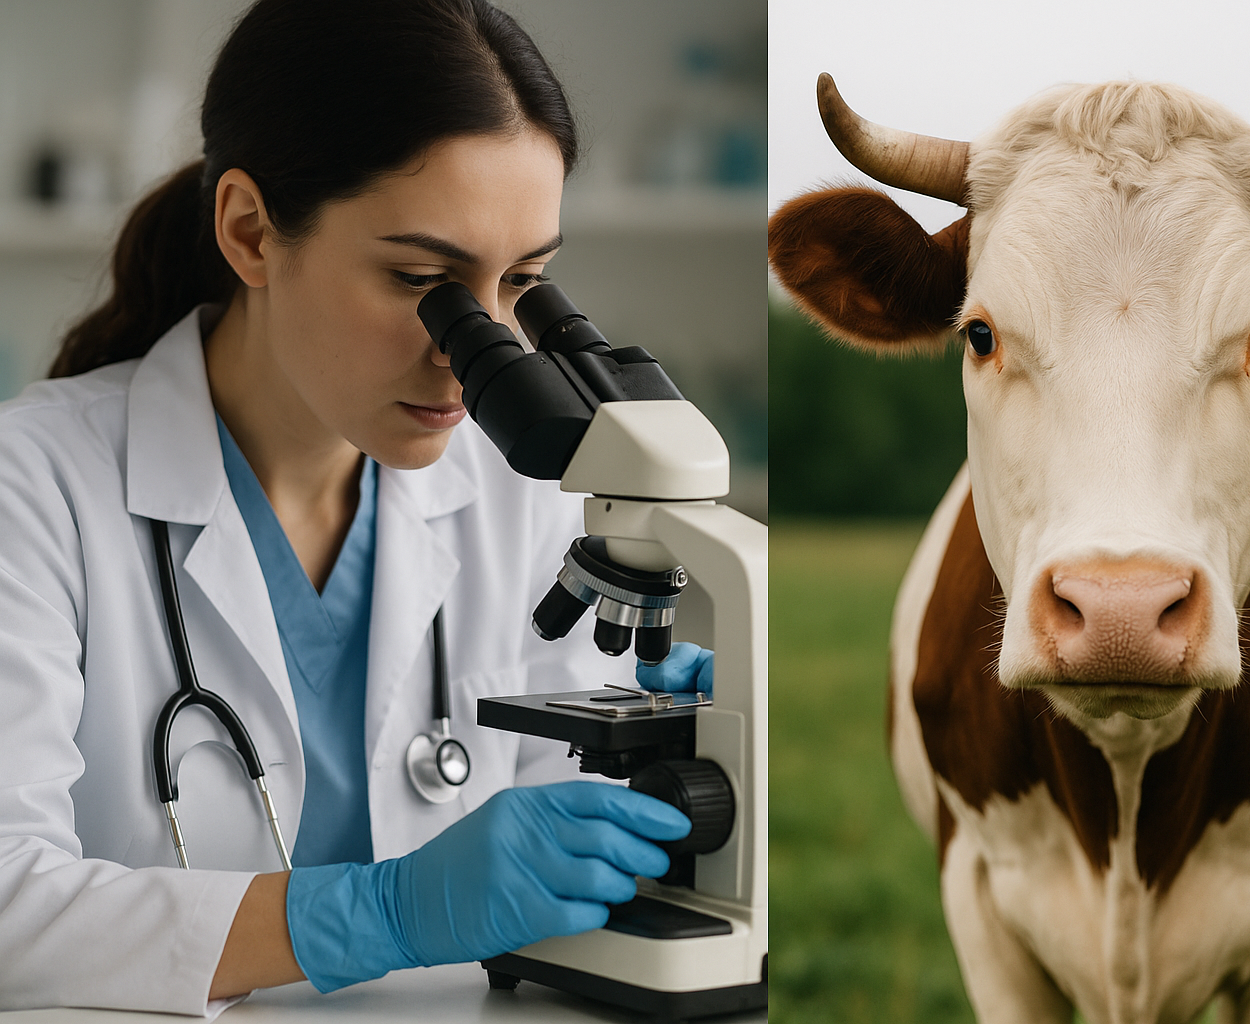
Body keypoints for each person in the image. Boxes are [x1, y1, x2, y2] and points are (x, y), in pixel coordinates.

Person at [0, 0, 715, 1013]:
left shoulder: (518, 495)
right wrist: (378, 913)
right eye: (423, 280)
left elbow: (588, 843)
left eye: (523, 284)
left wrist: (700, 747)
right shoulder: (30, 489)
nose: (472, 348)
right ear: (250, 230)